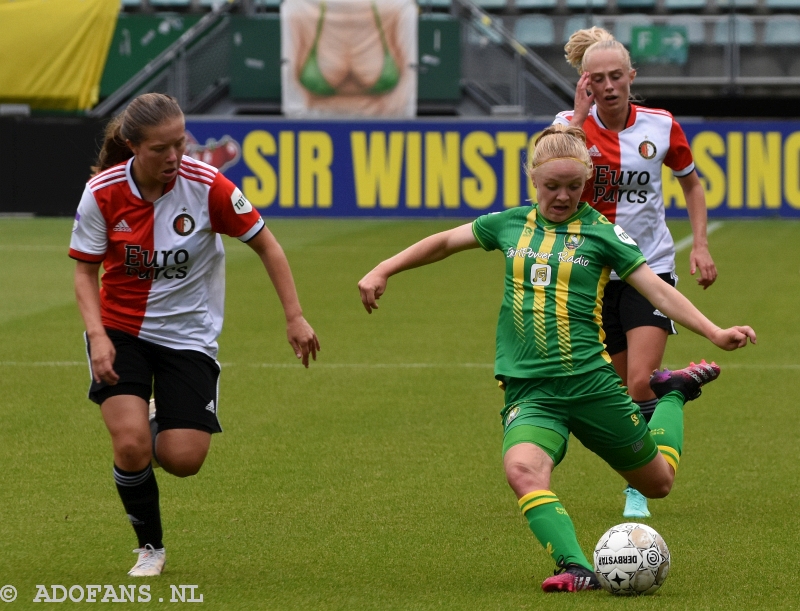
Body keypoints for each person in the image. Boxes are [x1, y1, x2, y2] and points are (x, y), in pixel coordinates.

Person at [357, 125, 755, 593]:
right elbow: (444, 242)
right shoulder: (510, 224)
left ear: (587, 181)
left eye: (572, 186)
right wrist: (384, 268)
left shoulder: (604, 233)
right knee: (522, 469)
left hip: (591, 385)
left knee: (658, 483)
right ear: (533, 181)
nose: (562, 196)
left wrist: (713, 331)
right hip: (532, 390)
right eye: (552, 186)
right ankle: (577, 567)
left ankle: (673, 395)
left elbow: (658, 292)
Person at [70, 93, 320, 577]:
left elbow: (267, 245)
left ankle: (156, 422)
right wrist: (97, 336)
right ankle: (150, 548)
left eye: (180, 144)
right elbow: (84, 273)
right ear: (131, 146)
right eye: (161, 148)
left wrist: (295, 316)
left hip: (188, 335)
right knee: (130, 444)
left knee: (182, 459)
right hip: (120, 328)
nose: (174, 158)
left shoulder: (209, 186)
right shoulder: (102, 192)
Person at [554, 26, 718, 519]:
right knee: (619, 395)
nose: (608, 86)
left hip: (649, 267)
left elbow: (691, 184)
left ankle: (637, 490)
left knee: (640, 383)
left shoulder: (661, 125)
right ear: (585, 82)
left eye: (616, 77)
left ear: (632, 77)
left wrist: (702, 246)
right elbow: (552, 169)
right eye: (597, 78)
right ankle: (676, 391)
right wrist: (579, 118)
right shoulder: (567, 123)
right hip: (591, 273)